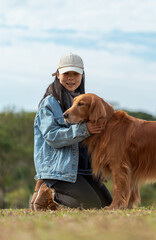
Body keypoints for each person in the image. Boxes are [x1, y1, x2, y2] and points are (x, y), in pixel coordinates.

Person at [30, 52, 112, 210]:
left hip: (83, 169)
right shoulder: (50, 103)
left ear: (82, 75)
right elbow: (52, 136)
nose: (71, 78)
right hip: (59, 170)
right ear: (58, 74)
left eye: (76, 74)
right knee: (90, 205)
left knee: (106, 205)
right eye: (67, 73)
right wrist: (84, 129)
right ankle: (48, 192)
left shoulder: (85, 100)